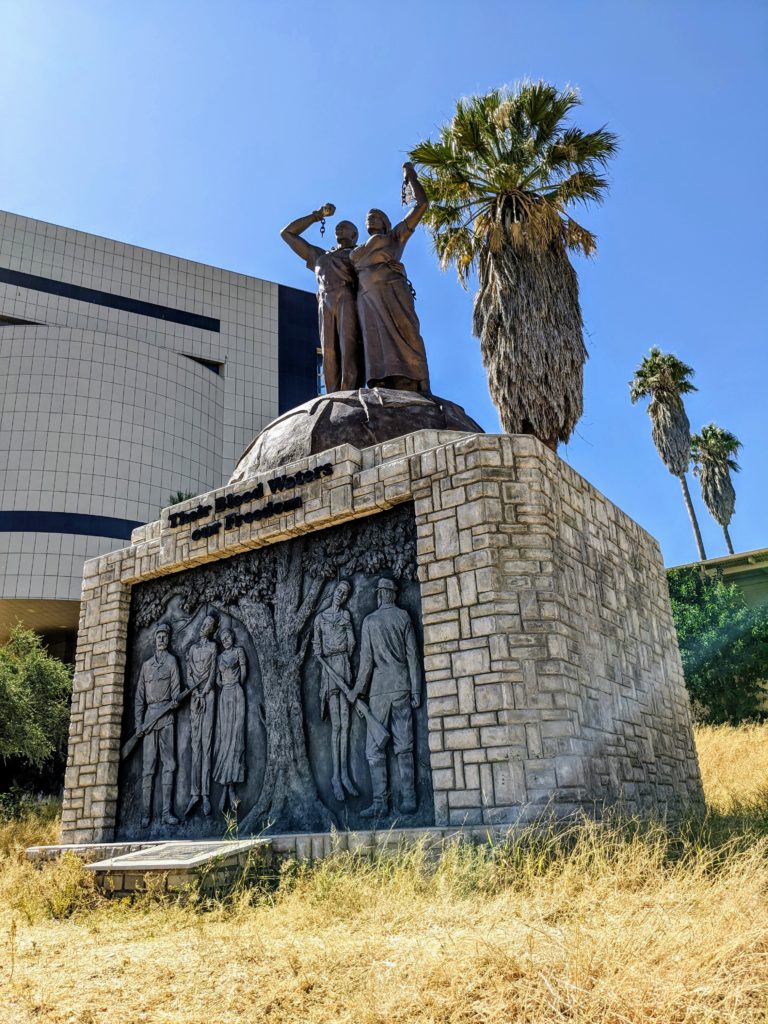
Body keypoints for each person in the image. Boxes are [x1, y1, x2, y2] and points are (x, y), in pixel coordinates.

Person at [349, 163, 430, 392]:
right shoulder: (355, 251)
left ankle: (420, 382)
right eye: (368, 217)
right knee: (373, 337)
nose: (370, 219)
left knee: (407, 332)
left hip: (392, 289)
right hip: (366, 296)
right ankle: (380, 380)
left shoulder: (394, 237)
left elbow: (422, 205)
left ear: (385, 223)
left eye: (375, 216)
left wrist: (411, 177)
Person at [352, 578, 422, 818]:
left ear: (381, 595)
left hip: (379, 692)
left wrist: (356, 691)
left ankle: (381, 803)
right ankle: (409, 800)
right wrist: (415, 690)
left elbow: (366, 663)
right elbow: (413, 656)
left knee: (374, 750)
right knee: (404, 745)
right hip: (402, 687)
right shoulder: (404, 617)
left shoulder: (370, 621)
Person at [280, 204, 363, 392]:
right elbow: (287, 234)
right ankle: (333, 394)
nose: (339, 228)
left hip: (348, 297)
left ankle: (350, 389)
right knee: (329, 350)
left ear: (354, 235)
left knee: (349, 346)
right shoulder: (322, 256)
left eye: (345, 226)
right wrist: (316, 216)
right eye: (338, 226)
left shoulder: (360, 254)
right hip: (325, 300)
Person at [312, 581, 358, 803]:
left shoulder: (346, 616)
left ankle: (346, 774)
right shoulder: (320, 618)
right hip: (328, 670)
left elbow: (352, 644)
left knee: (347, 724)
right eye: (339, 591)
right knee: (337, 725)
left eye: (345, 593)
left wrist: (342, 654)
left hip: (343, 666)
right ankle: (336, 777)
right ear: (333, 592)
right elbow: (317, 647)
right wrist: (326, 656)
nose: (341, 595)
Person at [135, 623, 181, 828]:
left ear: (168, 639)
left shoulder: (172, 662)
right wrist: (139, 724)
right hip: (149, 720)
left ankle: (166, 814)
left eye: (165, 636)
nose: (162, 639)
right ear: (154, 639)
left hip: (166, 719)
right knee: (148, 769)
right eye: (159, 636)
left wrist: (175, 702)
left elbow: (177, 691)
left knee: (169, 766)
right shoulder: (146, 666)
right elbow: (139, 698)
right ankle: (146, 815)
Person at [184, 614, 218, 818]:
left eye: (210, 625)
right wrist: (194, 692)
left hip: (209, 696)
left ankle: (206, 794)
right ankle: (193, 793)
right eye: (204, 623)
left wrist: (204, 691)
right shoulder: (192, 649)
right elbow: (189, 674)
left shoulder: (213, 648)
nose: (206, 627)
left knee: (206, 746)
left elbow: (213, 673)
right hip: (194, 698)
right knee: (195, 746)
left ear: (213, 629)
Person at [212, 628, 247, 815]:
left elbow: (244, 673)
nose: (225, 640)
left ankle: (230, 788)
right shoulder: (219, 658)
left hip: (237, 693)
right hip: (225, 695)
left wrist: (235, 685)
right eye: (223, 638)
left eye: (228, 637)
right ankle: (228, 788)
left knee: (236, 739)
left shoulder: (239, 651)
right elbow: (217, 680)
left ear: (232, 637)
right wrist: (227, 687)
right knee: (225, 739)